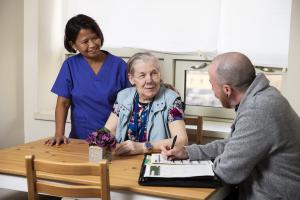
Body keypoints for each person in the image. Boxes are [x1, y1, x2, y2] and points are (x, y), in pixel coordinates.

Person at [161, 52, 300, 199]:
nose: (212, 91)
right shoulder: (264, 96)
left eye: (212, 84)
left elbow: (227, 171)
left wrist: (218, 161)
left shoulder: (258, 109)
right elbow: (234, 144)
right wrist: (188, 152)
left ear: (227, 90)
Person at [45, 14, 130, 145]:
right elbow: (63, 103)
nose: (92, 44)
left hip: (113, 140)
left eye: (95, 38)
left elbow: (133, 101)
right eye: (85, 42)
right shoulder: (70, 66)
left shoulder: (119, 66)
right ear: (73, 45)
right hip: (79, 140)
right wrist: (59, 133)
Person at [104, 52, 188, 155]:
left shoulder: (172, 99)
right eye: (142, 75)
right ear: (131, 79)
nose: (149, 80)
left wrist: (143, 147)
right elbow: (109, 130)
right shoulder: (123, 96)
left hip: (157, 161)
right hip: (125, 160)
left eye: (154, 73)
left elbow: (181, 141)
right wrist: (100, 139)